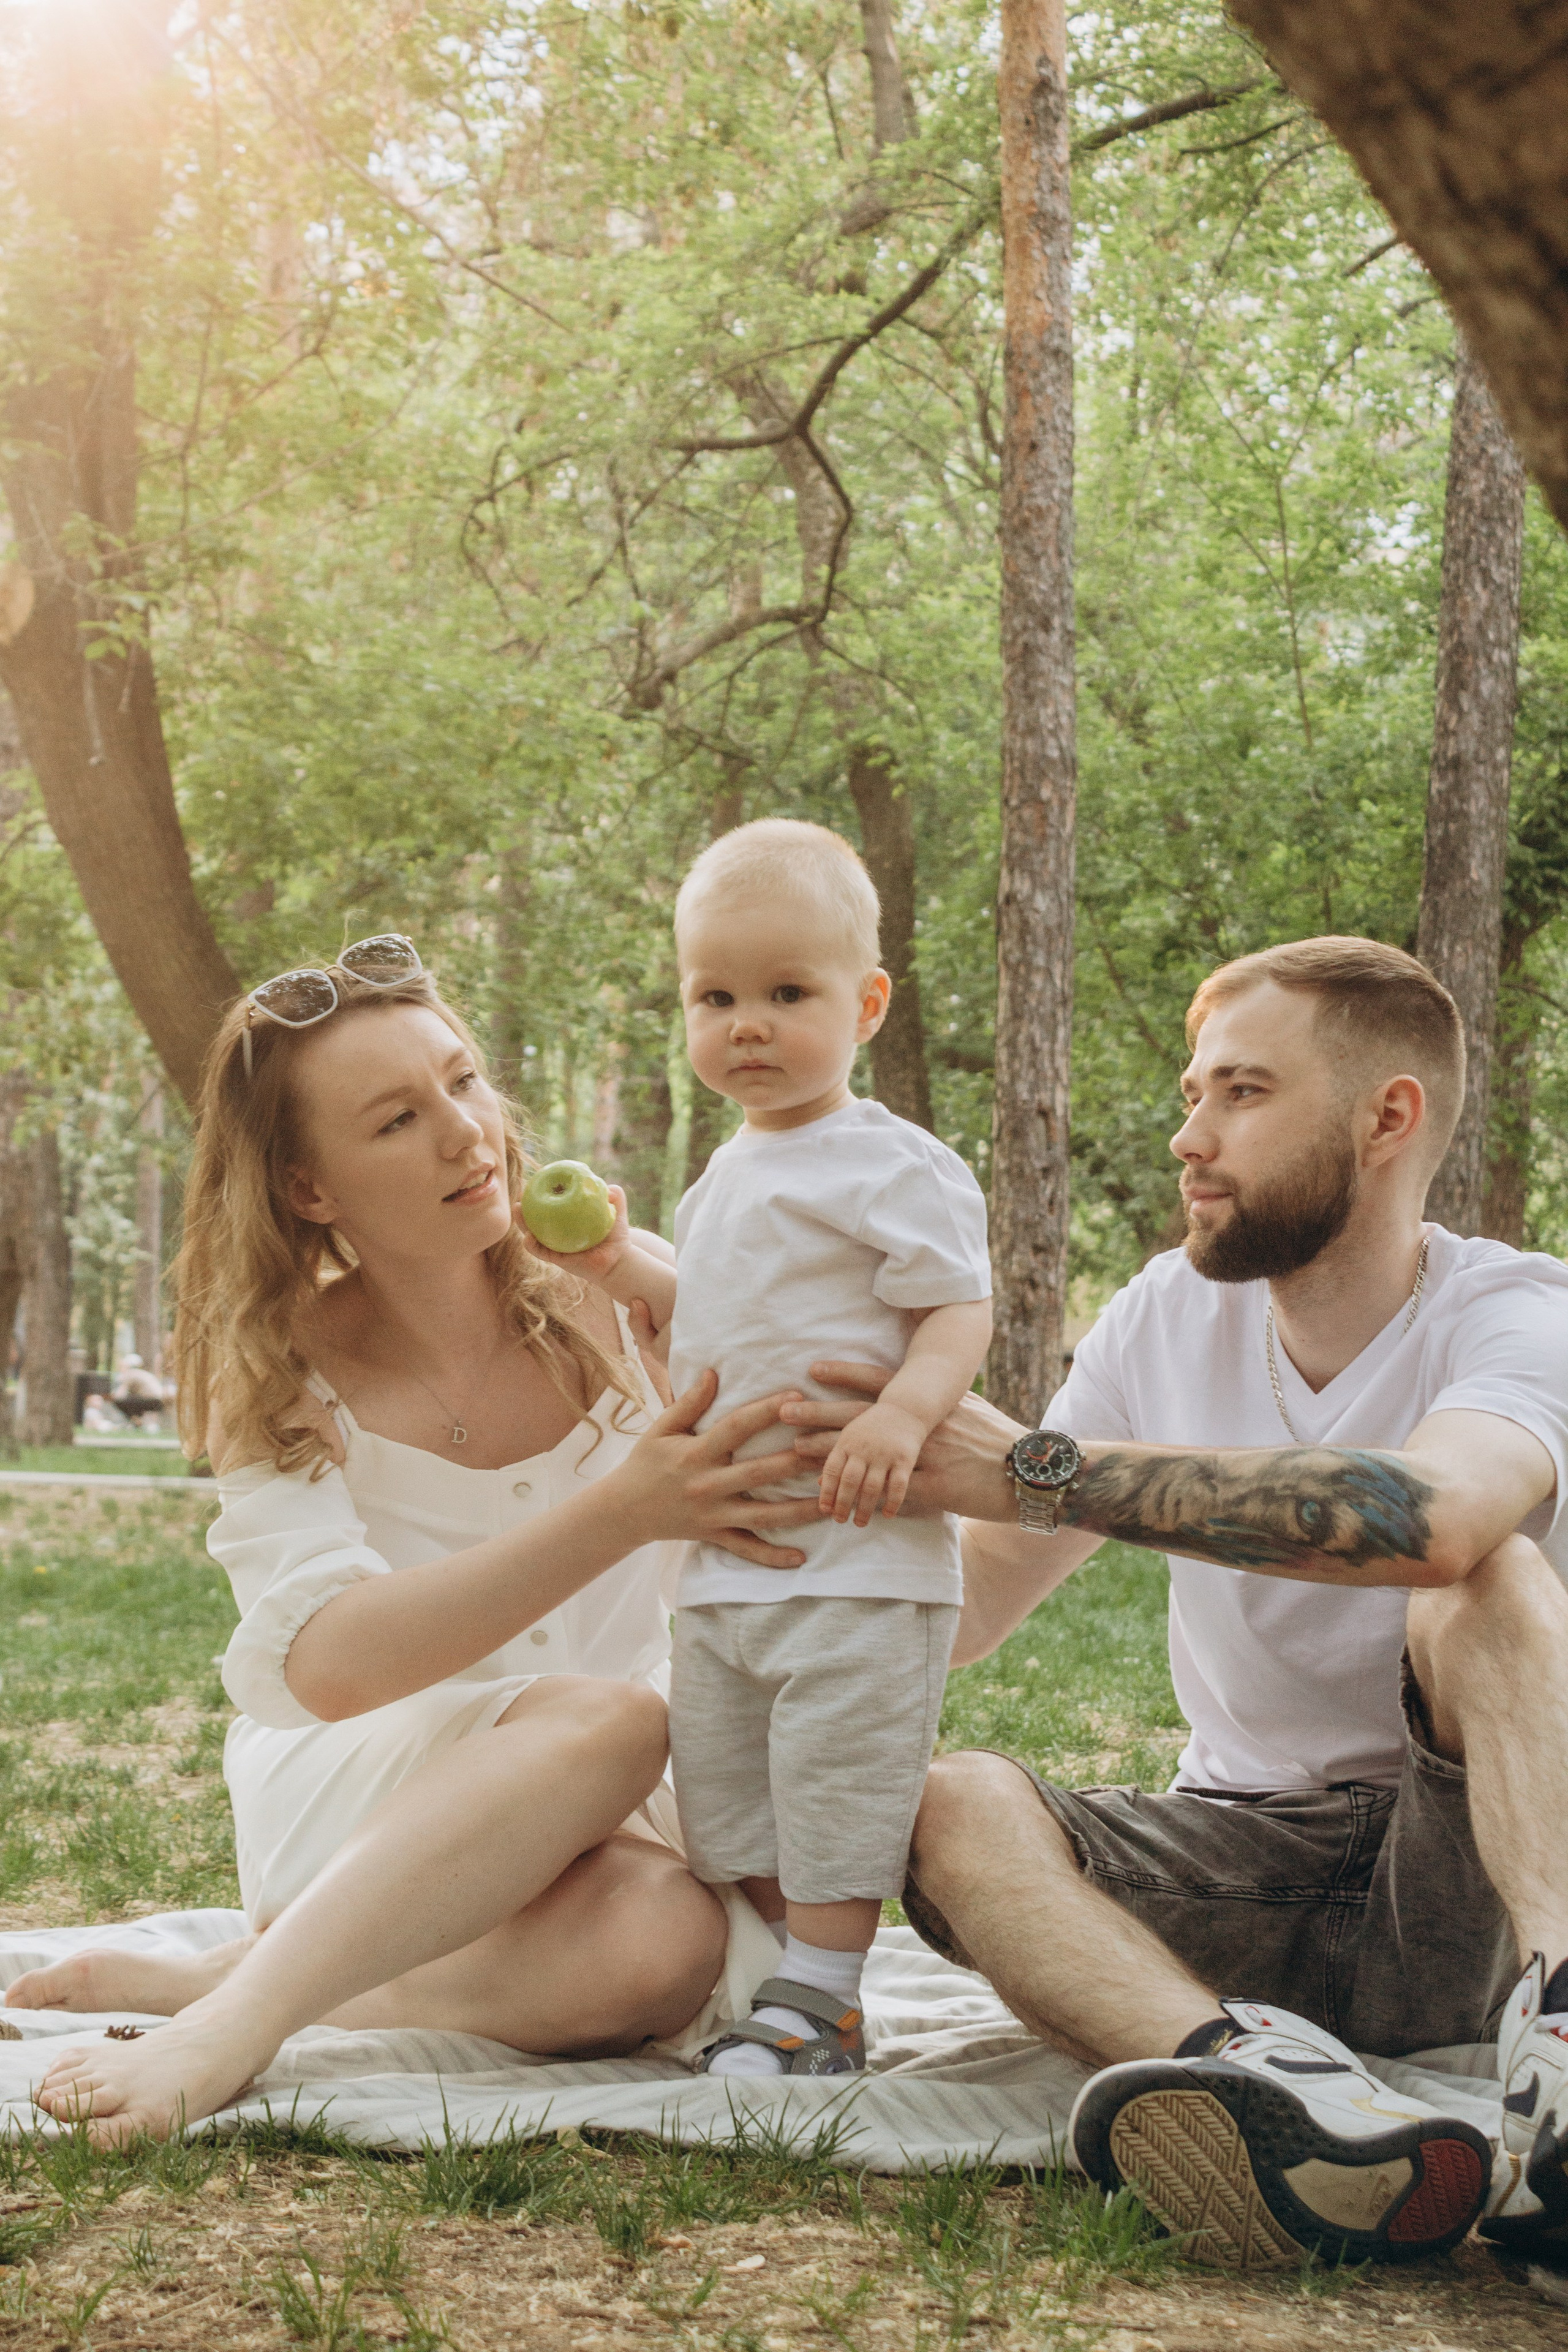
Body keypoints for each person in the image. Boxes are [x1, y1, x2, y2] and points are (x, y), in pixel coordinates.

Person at [787, 938, 1568, 2271]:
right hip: (1247, 1861)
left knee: (1482, 1570)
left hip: (1487, 1872)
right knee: (950, 1801)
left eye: (1239, 1095)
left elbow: (1429, 1519)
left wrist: (1040, 1468)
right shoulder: (1161, 1315)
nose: (1187, 1138)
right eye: (1192, 1092)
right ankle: (1273, 2103)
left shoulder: (1519, 1312)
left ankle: (1560, 2051)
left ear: (1386, 1117)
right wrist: (806, 1520)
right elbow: (970, 1609)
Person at [6, 936, 822, 2142]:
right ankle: (235, 2027)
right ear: (308, 1189)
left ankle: (241, 1978)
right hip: (368, 1789)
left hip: (618, 1805)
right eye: (396, 1119)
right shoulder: (278, 1368)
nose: (465, 1133)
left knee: (667, 1948)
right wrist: (620, 1510)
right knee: (604, 1713)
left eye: (463, 1080)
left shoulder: (623, 1298)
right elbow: (329, 1665)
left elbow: (800, 1509)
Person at [533, 822, 992, 2078]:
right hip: (729, 1558)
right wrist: (613, 1266)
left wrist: (903, 1414)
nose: (747, 1023)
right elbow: (709, 1311)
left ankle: (824, 2000)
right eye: (714, 996)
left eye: (787, 994)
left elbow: (958, 1304)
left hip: (856, 1549)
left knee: (838, 1785)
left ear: (866, 1004)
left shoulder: (890, 1162)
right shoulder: (722, 1174)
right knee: (732, 1800)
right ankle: (790, 1975)